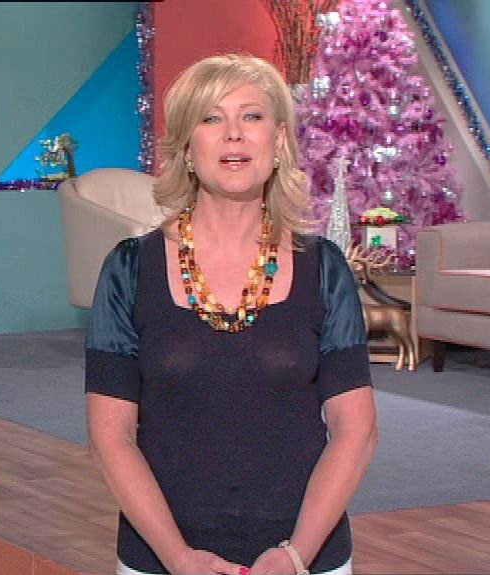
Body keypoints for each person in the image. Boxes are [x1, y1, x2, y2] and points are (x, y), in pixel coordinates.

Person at [85, 53, 378, 575]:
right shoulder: (128, 269)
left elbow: (355, 431)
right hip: (162, 559)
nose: (234, 134)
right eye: (212, 118)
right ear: (186, 147)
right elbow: (111, 437)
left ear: (278, 141)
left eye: (252, 116)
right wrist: (178, 558)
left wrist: (297, 556)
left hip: (306, 559)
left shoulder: (324, 269)